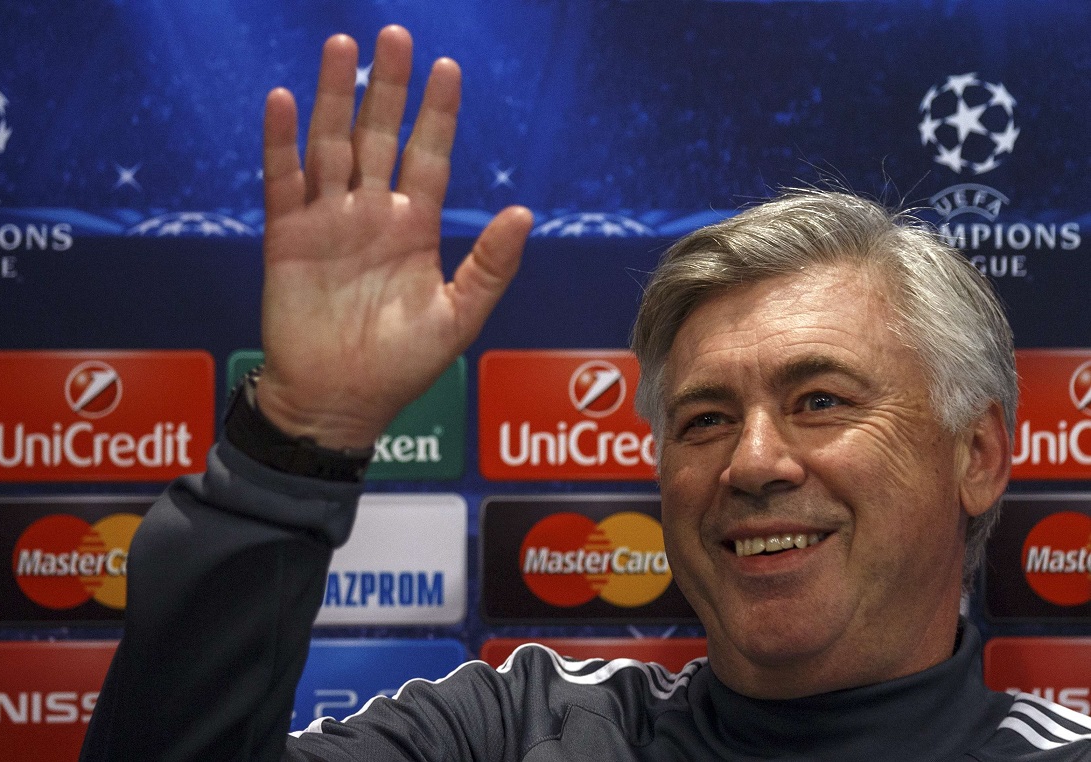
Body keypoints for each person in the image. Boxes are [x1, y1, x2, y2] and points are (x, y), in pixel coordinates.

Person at [80, 24, 1091, 761]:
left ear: (976, 454)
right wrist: (297, 441)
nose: (751, 462)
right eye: (703, 419)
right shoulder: (513, 731)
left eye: (820, 400)